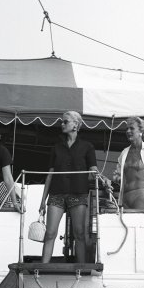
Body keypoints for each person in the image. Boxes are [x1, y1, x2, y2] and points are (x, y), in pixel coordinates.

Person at [39, 111, 98, 263]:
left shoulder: (87, 147)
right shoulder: (57, 147)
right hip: (56, 193)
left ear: (75, 125)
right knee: (50, 233)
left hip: (78, 193)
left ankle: (82, 269)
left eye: (65, 122)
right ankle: (42, 269)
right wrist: (42, 201)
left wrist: (97, 174)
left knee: (79, 233)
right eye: (62, 122)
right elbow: (50, 175)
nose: (62, 124)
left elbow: (93, 170)